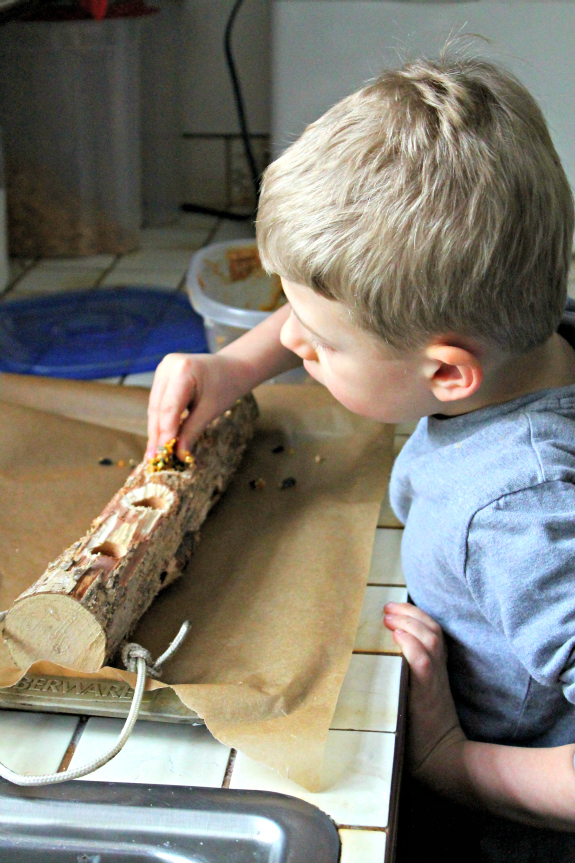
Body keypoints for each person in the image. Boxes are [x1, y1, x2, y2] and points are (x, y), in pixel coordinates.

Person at [146, 53, 575, 850]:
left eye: (319, 347)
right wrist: (233, 366)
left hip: (495, 825)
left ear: (444, 370)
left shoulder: (522, 512)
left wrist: (452, 760)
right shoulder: (527, 328)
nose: (292, 339)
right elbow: (339, 307)